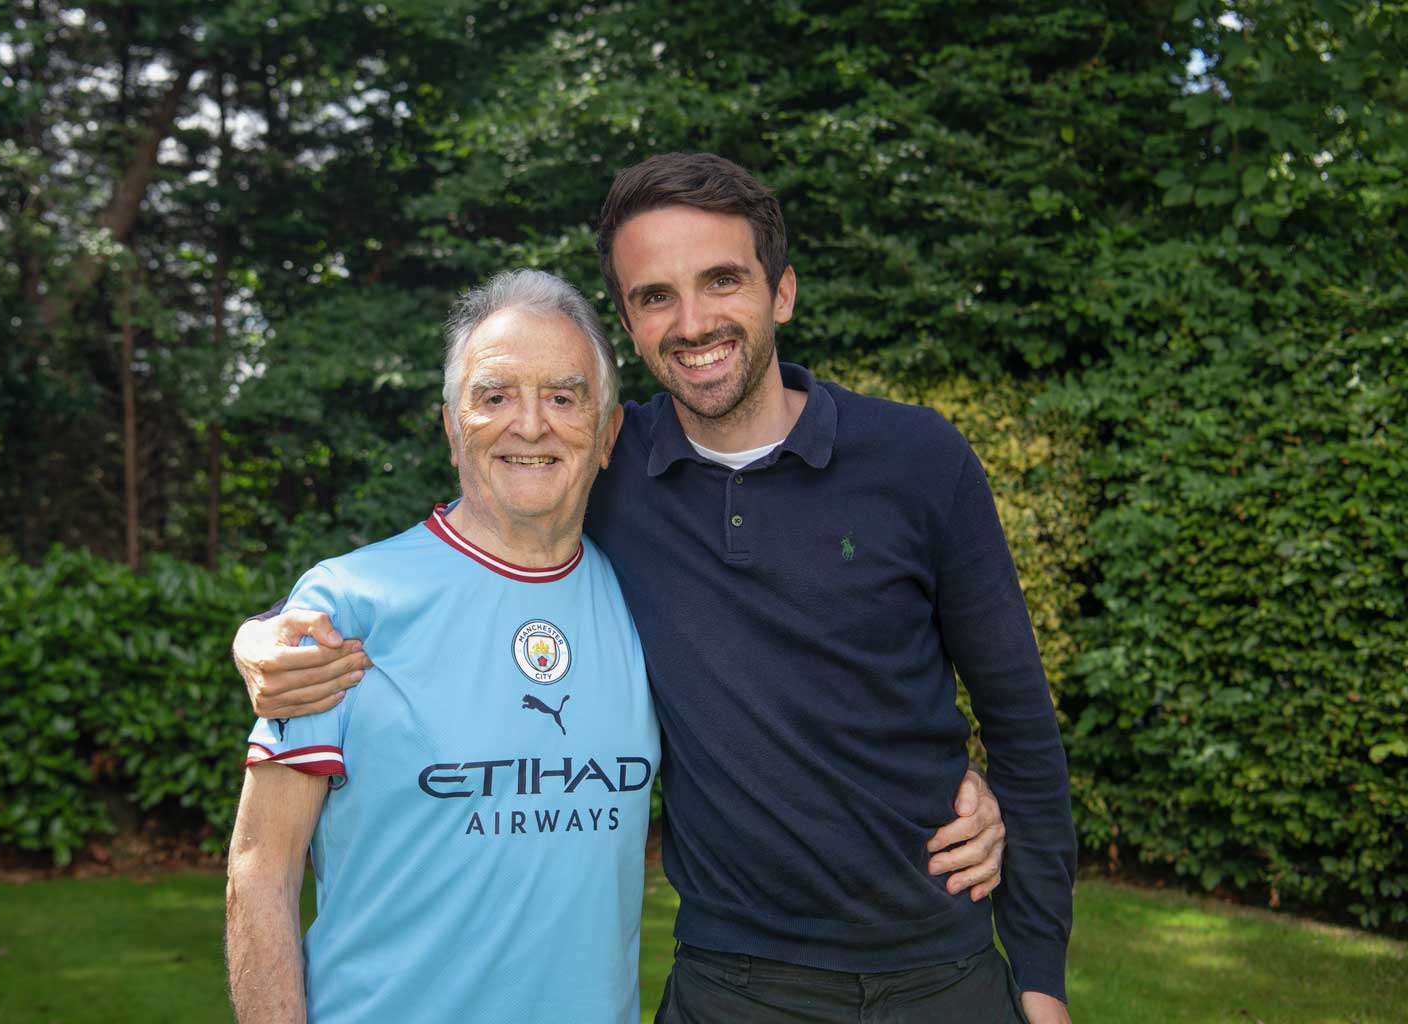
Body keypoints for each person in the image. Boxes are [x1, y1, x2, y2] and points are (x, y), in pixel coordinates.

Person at [237, 153, 1073, 1022]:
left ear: (780, 291)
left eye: (721, 281)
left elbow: (1022, 726)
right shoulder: (605, 462)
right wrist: (262, 635)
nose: (693, 321)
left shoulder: (918, 460)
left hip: (941, 969)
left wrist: (1041, 979)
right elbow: (472, 533)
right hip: (733, 981)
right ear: (631, 325)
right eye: (654, 296)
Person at [224, 270, 661, 1024]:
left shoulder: (647, 607)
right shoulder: (346, 606)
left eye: (564, 396)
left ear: (608, 434)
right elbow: (261, 870)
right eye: (494, 397)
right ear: (452, 426)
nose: (530, 424)